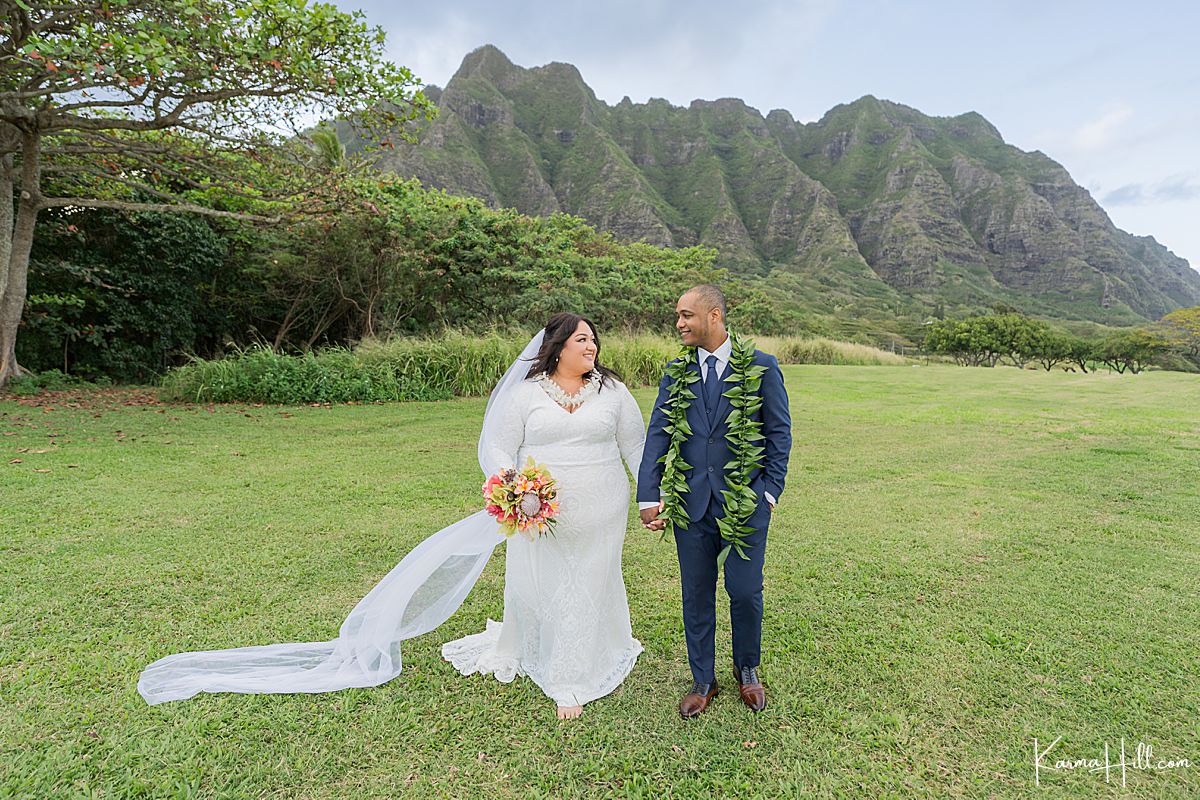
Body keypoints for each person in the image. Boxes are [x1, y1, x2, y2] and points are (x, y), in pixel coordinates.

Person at [138, 313, 646, 721]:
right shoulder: (525, 394)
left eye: (594, 340)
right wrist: (514, 487)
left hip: (603, 502)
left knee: (594, 578)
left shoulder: (613, 392)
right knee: (544, 582)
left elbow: (636, 446)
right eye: (582, 340)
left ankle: (576, 669)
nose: (591, 347)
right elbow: (497, 445)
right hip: (540, 509)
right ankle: (551, 658)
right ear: (556, 347)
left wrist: (648, 497)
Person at [637, 285, 791, 718]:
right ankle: (703, 679)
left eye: (687, 315)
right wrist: (650, 493)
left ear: (715, 315)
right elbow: (658, 434)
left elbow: (780, 434)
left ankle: (748, 670)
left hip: (745, 503)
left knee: (744, 590)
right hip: (691, 504)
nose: (680, 323)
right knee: (696, 592)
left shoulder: (762, 366)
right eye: (677, 316)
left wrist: (769, 491)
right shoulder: (676, 372)